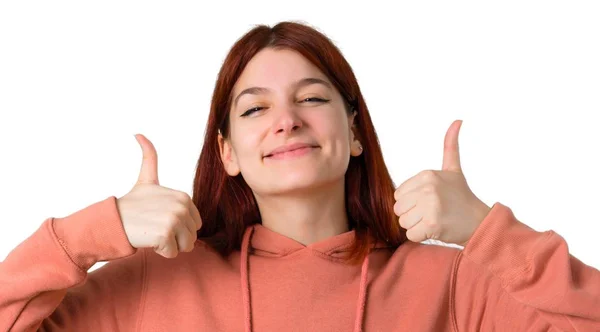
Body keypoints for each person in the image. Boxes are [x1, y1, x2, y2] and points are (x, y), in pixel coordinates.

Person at [1, 20, 599, 332]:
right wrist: (87, 235)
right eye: (255, 108)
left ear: (356, 132)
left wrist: (486, 232)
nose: (285, 121)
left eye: (312, 99)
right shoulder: (149, 286)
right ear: (228, 152)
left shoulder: (453, 284)